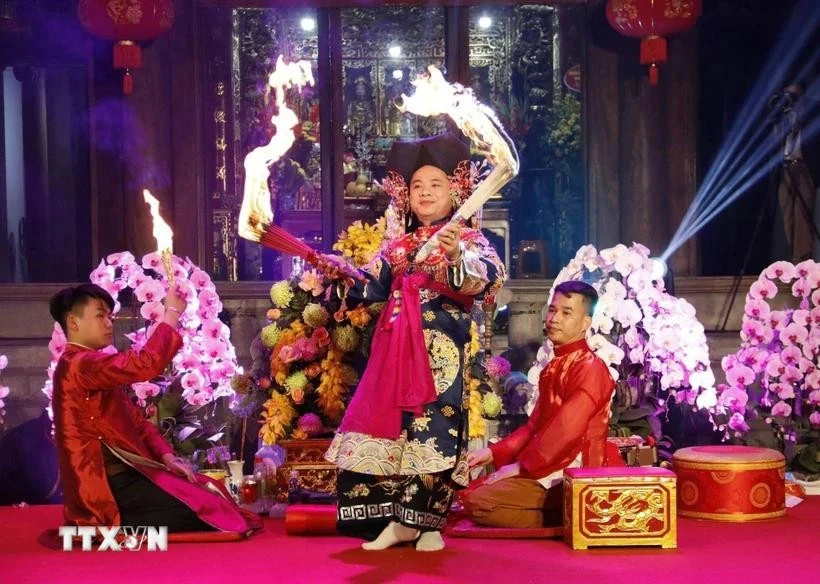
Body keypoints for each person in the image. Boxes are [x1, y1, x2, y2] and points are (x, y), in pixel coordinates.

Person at [324, 134, 506, 551]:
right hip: (393, 353)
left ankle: (427, 523)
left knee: (433, 432)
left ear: (456, 192)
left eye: (435, 185)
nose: (424, 192)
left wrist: (457, 257)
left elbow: (488, 280)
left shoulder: (469, 242)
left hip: (440, 358)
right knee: (392, 431)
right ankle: (399, 521)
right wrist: (339, 273)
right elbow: (369, 287)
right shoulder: (399, 245)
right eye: (417, 186)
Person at [50, 283, 260, 534]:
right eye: (100, 315)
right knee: (200, 511)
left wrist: (168, 457)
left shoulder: (90, 363)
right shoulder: (79, 364)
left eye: (110, 316)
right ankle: (113, 522)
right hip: (103, 485)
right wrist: (171, 313)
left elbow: (136, 421)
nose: (109, 323)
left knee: (209, 494)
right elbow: (144, 364)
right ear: (73, 323)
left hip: (127, 474)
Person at [463, 280, 623, 528]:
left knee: (479, 502)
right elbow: (534, 426)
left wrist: (520, 467)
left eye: (566, 313)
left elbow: (565, 431)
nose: (554, 318)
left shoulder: (590, 367)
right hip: (548, 463)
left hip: (574, 472)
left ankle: (575, 515)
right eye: (552, 310)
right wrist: (491, 453)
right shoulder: (556, 365)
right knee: (473, 490)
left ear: (585, 324)